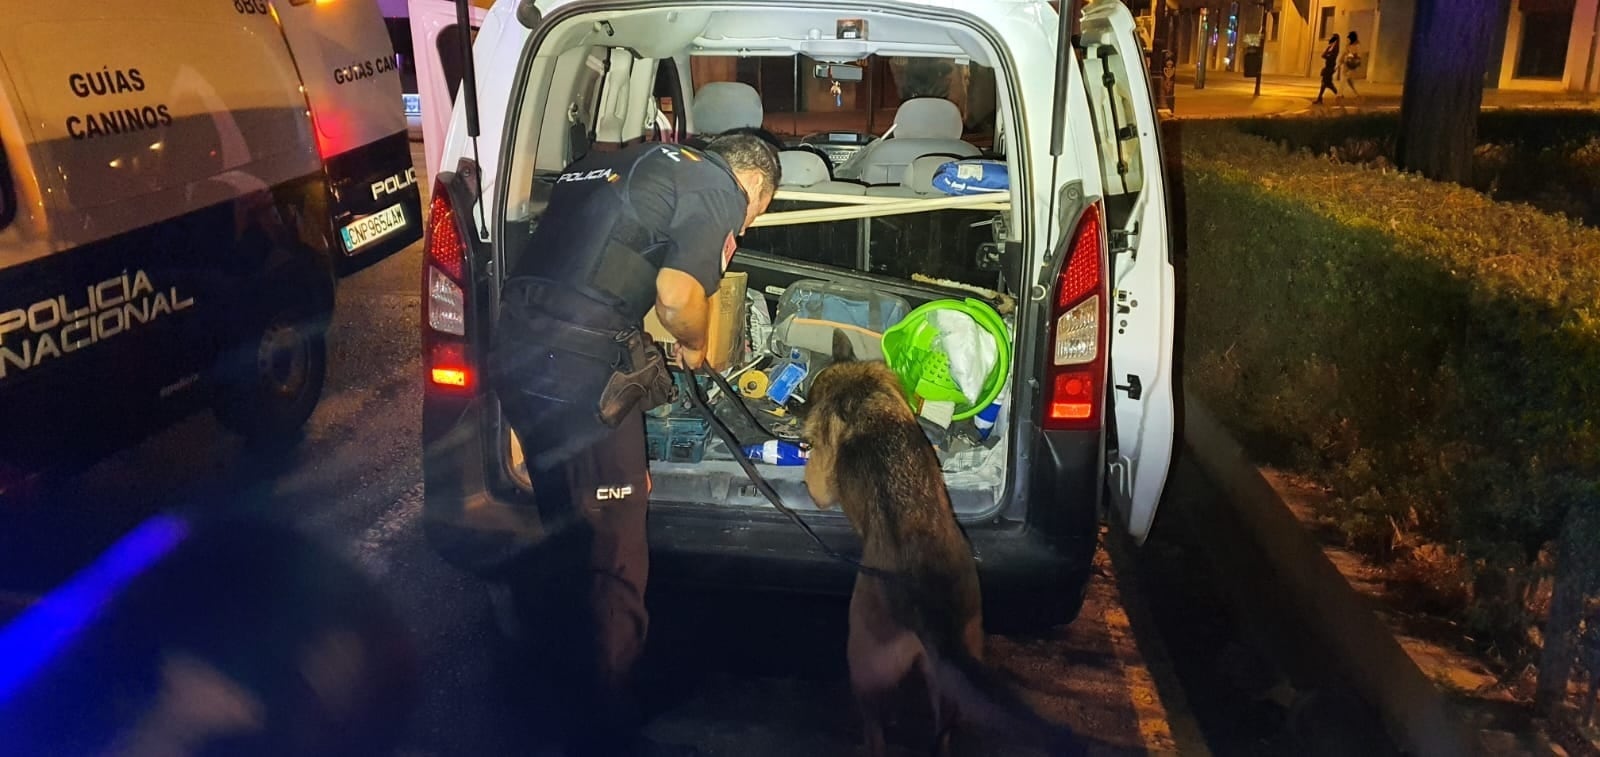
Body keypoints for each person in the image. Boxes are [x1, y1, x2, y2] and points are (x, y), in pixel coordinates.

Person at [480, 133, 779, 757]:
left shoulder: (618, 163)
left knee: (568, 526)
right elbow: (676, 295)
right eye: (754, 215)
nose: (743, 231)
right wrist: (696, 346)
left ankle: (560, 691)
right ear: (753, 185)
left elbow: (595, 261)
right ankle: (606, 730)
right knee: (616, 547)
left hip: (517, 349)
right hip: (578, 367)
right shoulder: (715, 184)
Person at [1314, 33, 1340, 106]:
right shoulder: (1330, 47)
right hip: (1327, 66)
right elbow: (1323, 55)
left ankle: (1337, 94)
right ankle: (1320, 98)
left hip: (1330, 67)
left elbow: (1331, 57)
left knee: (1327, 83)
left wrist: (1327, 55)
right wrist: (1327, 54)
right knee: (1325, 83)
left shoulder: (1336, 48)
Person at [1341, 31, 1364, 107]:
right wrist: (1341, 59)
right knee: (1348, 80)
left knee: (1346, 78)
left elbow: (1358, 55)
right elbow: (1345, 52)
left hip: (1352, 64)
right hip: (1347, 63)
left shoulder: (1357, 45)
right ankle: (1356, 94)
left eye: (1349, 37)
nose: (1348, 38)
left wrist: (1353, 57)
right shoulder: (1348, 45)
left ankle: (1340, 94)